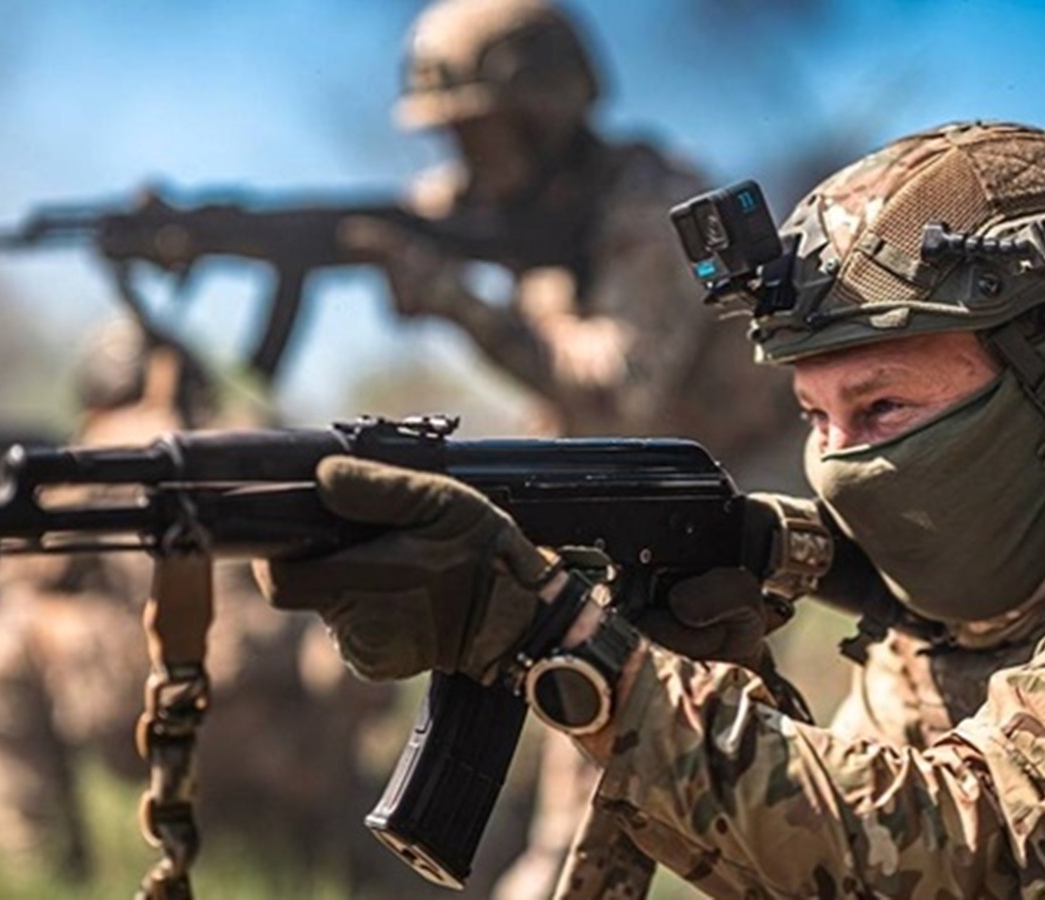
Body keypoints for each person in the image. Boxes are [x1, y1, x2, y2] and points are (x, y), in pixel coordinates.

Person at [258, 120, 1045, 897]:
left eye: (882, 408)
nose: (839, 465)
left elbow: (962, 844)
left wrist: (568, 645)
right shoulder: (934, 639)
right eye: (813, 416)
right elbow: (834, 866)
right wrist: (728, 684)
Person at [342, 2, 805, 895]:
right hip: (628, 487)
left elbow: (617, 388)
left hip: (731, 488)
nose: (460, 161)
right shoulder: (520, 200)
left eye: (476, 134)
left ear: (542, 118)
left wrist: (459, 300)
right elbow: (401, 217)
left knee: (600, 731)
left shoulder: (646, 206)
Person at [0, 316, 391, 884]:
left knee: (8, 637)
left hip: (160, 716)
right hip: (287, 732)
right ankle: (342, 840)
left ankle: (49, 869)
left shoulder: (103, 449)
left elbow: (31, 567)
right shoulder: (260, 433)